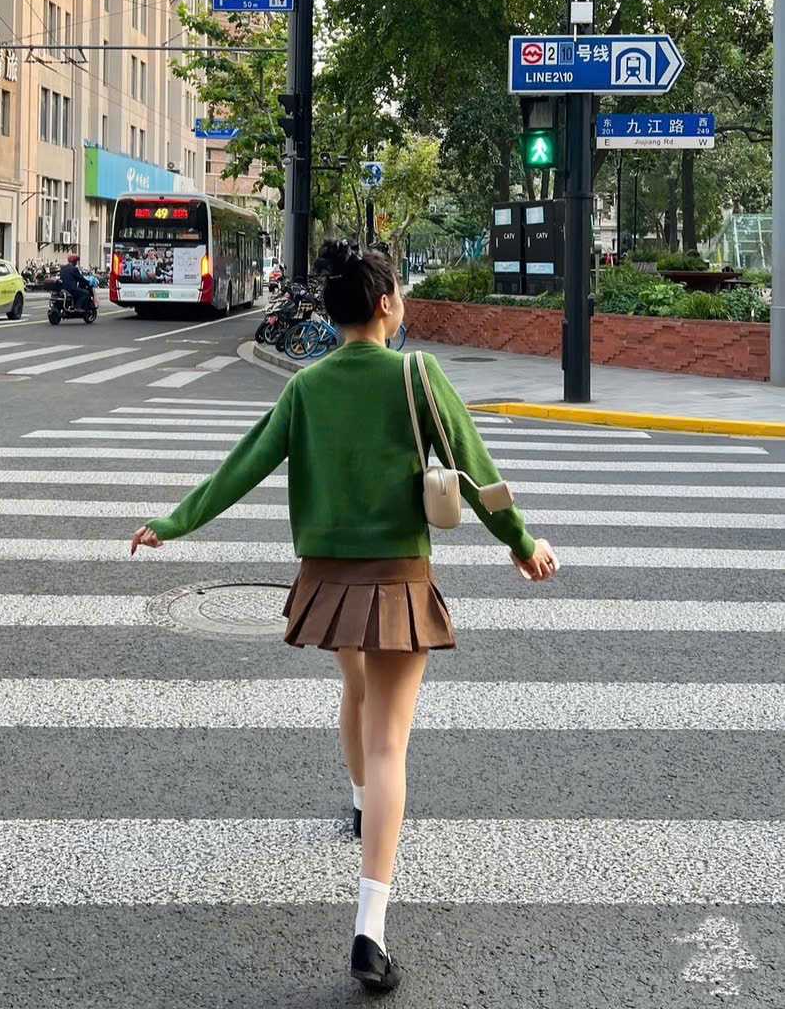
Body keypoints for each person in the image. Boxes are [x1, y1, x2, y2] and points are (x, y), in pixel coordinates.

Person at [131, 239, 559, 993]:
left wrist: (173, 523)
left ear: (332, 317)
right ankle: (370, 929)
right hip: (397, 576)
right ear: (387, 305)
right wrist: (523, 544)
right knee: (391, 742)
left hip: (326, 578)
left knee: (355, 689)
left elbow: (244, 465)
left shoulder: (307, 385)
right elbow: (476, 468)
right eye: (401, 295)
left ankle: (361, 803)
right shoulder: (417, 375)